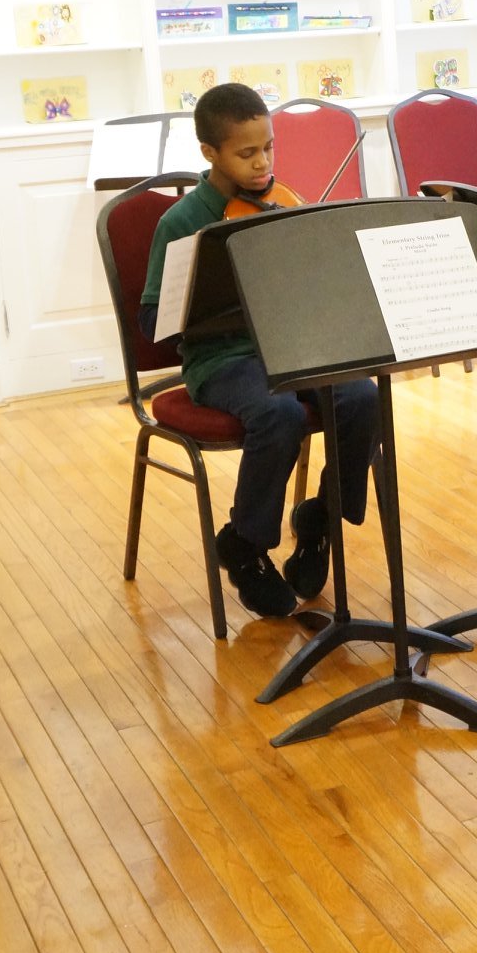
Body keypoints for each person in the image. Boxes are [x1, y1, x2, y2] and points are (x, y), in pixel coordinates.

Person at [139, 82, 380, 619]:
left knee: (363, 397)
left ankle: (318, 519)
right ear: (210, 153)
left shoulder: (282, 202)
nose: (262, 162)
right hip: (222, 361)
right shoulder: (181, 223)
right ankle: (245, 546)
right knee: (278, 413)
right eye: (246, 153)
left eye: (268, 147)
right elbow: (153, 320)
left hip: (291, 345)